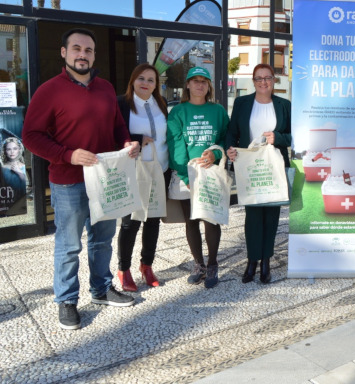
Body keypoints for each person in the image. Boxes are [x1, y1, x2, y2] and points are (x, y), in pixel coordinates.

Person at [22, 28, 140, 330]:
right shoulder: (49, 90)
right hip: (68, 181)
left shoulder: (104, 89)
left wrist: (126, 143)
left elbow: (117, 128)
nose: (82, 54)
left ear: (94, 55)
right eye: (76, 48)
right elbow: (31, 136)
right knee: (69, 244)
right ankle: (66, 299)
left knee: (102, 240)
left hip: (105, 179)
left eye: (88, 50)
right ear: (64, 53)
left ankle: (101, 290)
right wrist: (68, 155)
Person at [226, 63, 291, 284]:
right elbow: (231, 133)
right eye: (259, 78)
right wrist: (230, 150)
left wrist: (279, 138)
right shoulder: (242, 103)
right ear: (253, 81)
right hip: (250, 166)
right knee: (253, 215)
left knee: (271, 215)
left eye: (268, 77)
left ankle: (266, 262)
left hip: (274, 166)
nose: (263, 82)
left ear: (274, 80)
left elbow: (294, 135)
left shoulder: (284, 105)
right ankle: (252, 261)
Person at [167, 66, 229, 289]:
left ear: (209, 86)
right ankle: (199, 264)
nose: (200, 85)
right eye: (195, 80)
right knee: (191, 221)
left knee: (211, 219)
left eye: (204, 81)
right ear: (188, 85)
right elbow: (175, 144)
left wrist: (216, 153)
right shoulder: (178, 112)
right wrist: (185, 174)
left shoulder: (219, 111)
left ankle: (212, 264)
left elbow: (225, 138)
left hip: (210, 175)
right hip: (188, 175)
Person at [116, 63, 170, 291]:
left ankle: (146, 266)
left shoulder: (162, 103)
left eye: (151, 80)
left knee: (153, 220)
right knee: (131, 222)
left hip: (161, 169)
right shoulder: (121, 104)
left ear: (156, 84)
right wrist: (136, 137)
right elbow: (112, 134)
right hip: (134, 171)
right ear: (132, 81)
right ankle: (123, 269)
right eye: (141, 78)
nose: (145, 83)